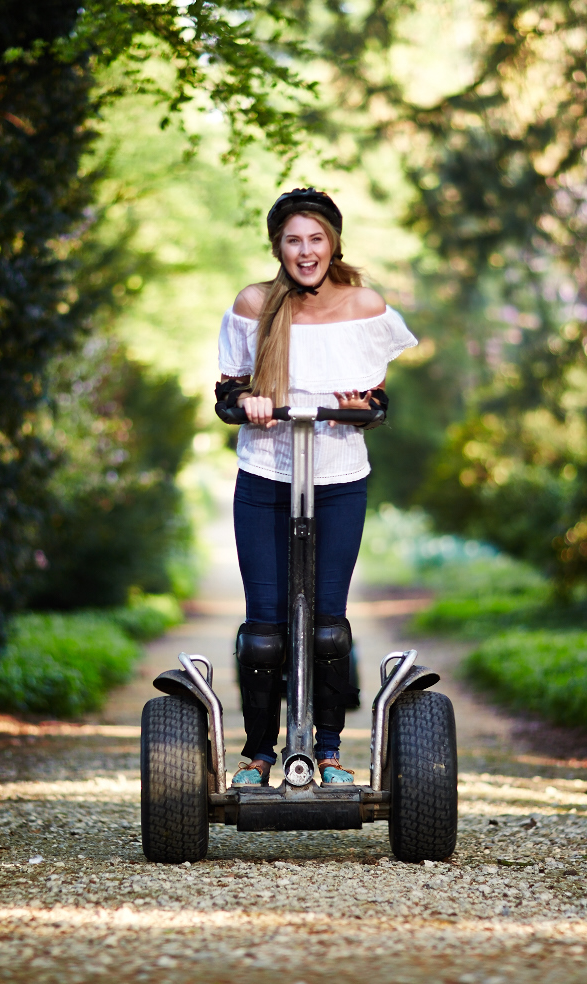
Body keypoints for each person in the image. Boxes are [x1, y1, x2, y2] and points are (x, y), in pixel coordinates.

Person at [214, 188, 417, 787]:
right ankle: (257, 757)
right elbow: (227, 390)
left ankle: (326, 754)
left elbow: (378, 401)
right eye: (293, 240)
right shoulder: (255, 304)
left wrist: (362, 406)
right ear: (278, 246)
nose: (306, 251)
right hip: (265, 477)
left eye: (316, 238)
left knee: (328, 622)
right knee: (264, 627)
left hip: (337, 480)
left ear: (333, 242)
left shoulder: (364, 305)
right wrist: (247, 401)